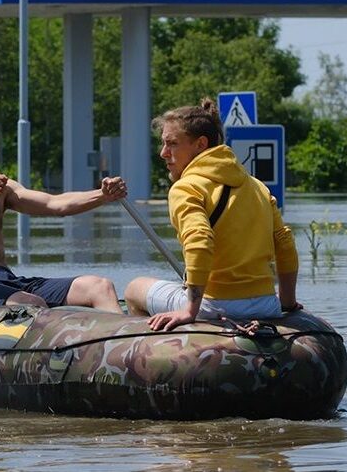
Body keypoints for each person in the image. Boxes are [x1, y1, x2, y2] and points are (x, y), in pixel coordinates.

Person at [124, 98, 300, 331]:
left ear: (200, 144)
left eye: (172, 144)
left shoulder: (187, 187)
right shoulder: (258, 186)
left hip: (215, 305)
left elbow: (199, 241)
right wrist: (286, 303)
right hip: (266, 304)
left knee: (134, 288)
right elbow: (284, 243)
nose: (163, 153)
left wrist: (190, 311)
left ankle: (148, 355)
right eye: (163, 144)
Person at [0, 117, 126, 312]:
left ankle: (122, 343)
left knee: (100, 286)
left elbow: (55, 204)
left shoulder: (2, 190)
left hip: (8, 279)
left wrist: (102, 195)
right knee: (31, 303)